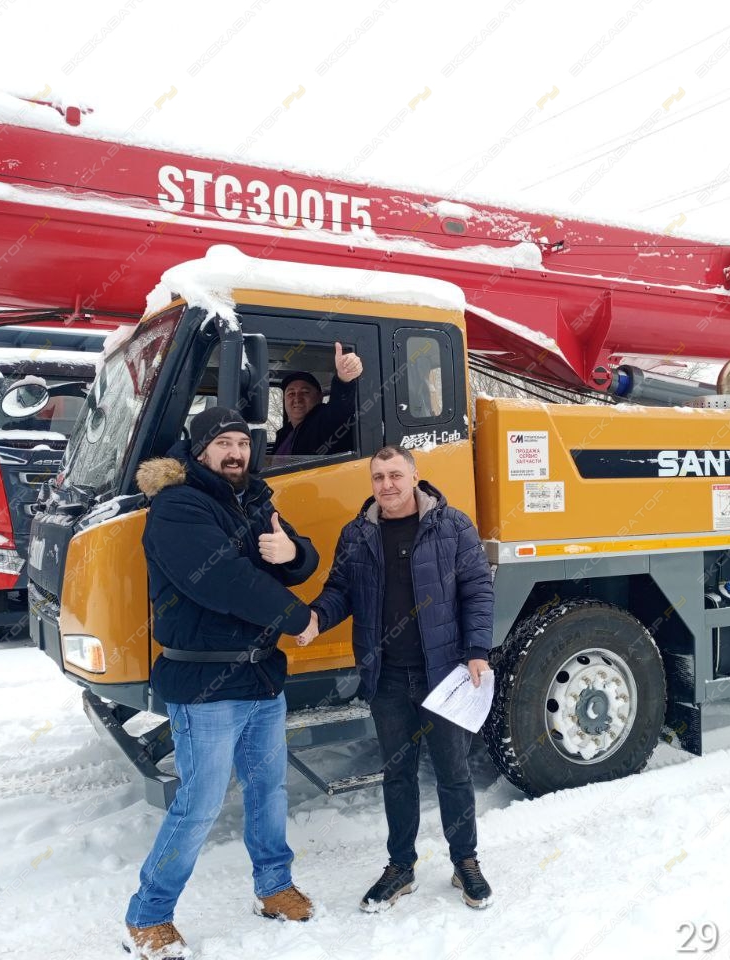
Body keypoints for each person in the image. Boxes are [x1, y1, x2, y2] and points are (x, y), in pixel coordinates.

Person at [123, 407, 319, 960]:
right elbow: (224, 580)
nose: (236, 453)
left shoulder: (253, 499)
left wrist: (293, 553)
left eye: (243, 443)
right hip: (205, 680)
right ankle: (148, 916)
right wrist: (295, 615)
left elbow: (300, 557)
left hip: (260, 675)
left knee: (268, 790)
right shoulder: (178, 506)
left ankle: (274, 887)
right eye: (224, 443)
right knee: (201, 803)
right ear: (200, 450)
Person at [297, 446, 496, 912]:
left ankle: (465, 861)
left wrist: (477, 651)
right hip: (385, 675)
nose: (387, 485)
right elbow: (339, 591)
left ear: (414, 476)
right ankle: (401, 866)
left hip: (442, 673)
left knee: (453, 772)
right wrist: (316, 619)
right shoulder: (357, 534)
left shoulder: (453, 526)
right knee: (398, 774)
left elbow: (477, 590)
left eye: (395, 475)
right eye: (378, 477)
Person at [272, 341, 364, 457]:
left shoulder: (324, 421)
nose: (297, 398)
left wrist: (344, 379)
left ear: (320, 397)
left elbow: (339, 409)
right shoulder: (284, 433)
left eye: (305, 392)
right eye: (291, 393)